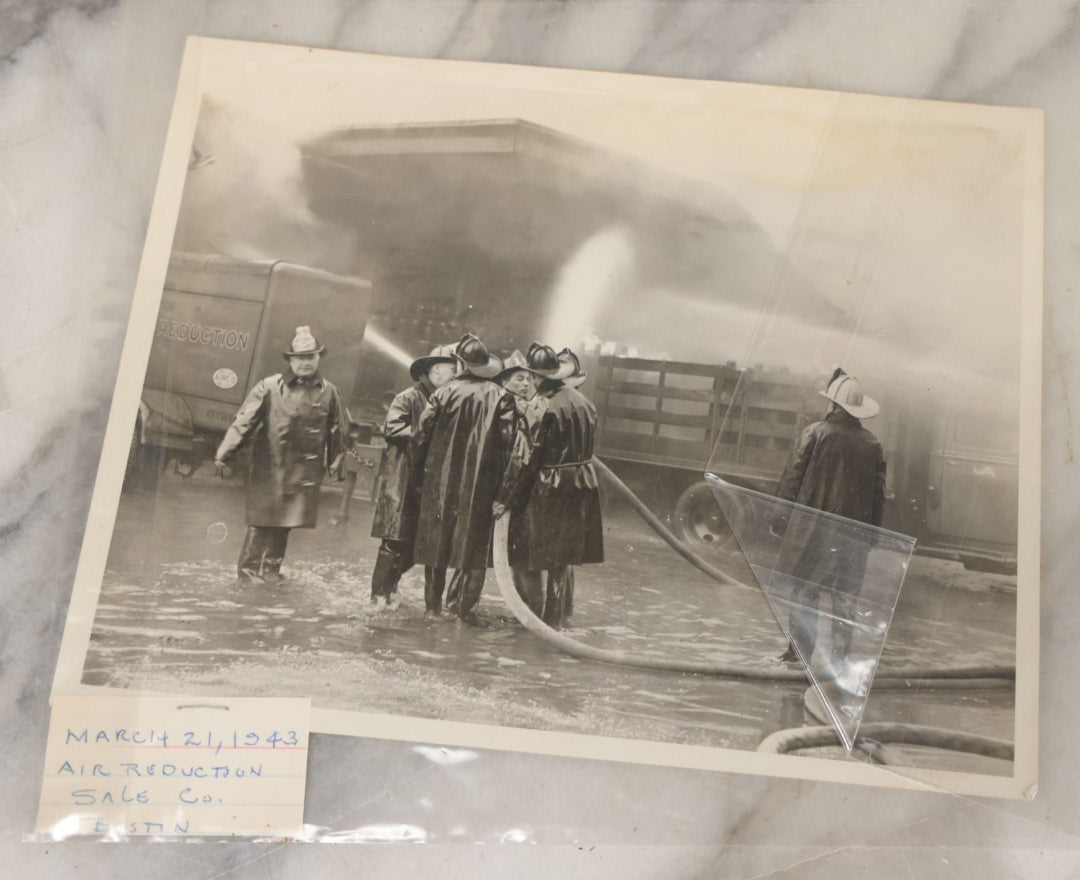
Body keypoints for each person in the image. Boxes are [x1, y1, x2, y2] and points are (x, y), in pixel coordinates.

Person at [214, 326, 347, 580]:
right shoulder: (269, 387)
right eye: (300, 358)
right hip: (271, 465)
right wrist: (224, 452)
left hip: (303, 470)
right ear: (291, 360)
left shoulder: (330, 391)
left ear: (318, 358)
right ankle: (248, 571)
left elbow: (337, 429)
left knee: (287, 521)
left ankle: (272, 570)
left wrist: (335, 463)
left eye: (311, 357)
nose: (306, 363)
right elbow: (244, 422)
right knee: (262, 520)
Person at [773, 368, 886, 666]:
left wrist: (780, 520)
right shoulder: (872, 444)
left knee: (804, 593)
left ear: (833, 405)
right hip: (853, 539)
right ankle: (839, 662)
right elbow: (877, 496)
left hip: (813, 533)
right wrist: (871, 537)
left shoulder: (814, 434)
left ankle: (797, 656)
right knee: (844, 599)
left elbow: (792, 480)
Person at [410, 333, 518, 624]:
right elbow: (512, 450)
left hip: (440, 483)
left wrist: (418, 478)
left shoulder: (442, 393)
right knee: (473, 548)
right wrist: (505, 493)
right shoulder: (503, 397)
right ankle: (462, 610)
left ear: (460, 364)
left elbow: (420, 439)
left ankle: (432, 609)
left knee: (437, 545)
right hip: (482, 486)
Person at [495, 344, 604, 628]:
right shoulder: (584, 402)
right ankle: (556, 619)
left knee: (523, 555)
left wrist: (504, 498)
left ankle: (529, 620)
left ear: (536, 377)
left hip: (548, 487)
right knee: (561, 559)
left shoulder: (541, 405)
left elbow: (524, 458)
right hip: (580, 484)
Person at [367, 344, 458, 611]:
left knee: (414, 544)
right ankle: (378, 597)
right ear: (435, 370)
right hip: (403, 480)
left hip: (426, 483)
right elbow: (393, 429)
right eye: (452, 370)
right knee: (394, 542)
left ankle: (390, 588)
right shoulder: (408, 397)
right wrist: (428, 429)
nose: (455, 375)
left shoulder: (446, 399)